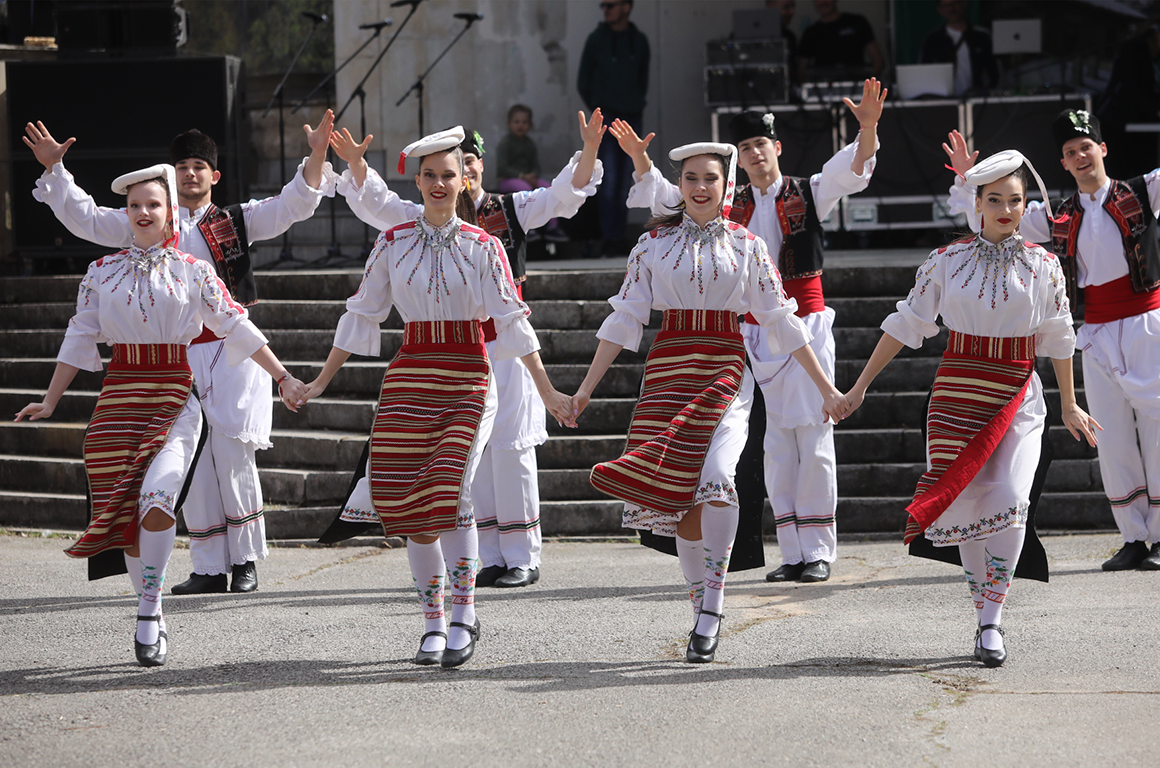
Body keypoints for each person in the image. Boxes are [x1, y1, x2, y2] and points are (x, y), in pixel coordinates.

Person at [23, 114, 333, 595]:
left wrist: (316, 155)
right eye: (182, 165)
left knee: (231, 451)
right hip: (176, 357)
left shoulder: (237, 219)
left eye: (199, 166)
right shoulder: (146, 220)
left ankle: (245, 558)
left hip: (233, 352)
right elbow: (85, 216)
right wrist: (56, 172)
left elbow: (292, 204)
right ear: (170, 176)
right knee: (188, 460)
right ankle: (208, 565)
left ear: (214, 175)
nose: (190, 173)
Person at [300, 127, 575, 669]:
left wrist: (548, 391)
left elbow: (511, 320)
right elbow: (362, 313)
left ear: (464, 176)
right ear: (417, 180)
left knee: (451, 494)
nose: (440, 184)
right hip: (410, 375)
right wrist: (319, 382)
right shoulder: (393, 241)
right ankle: (432, 619)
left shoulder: (484, 246)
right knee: (414, 507)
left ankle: (464, 613)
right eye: (430, 175)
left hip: (469, 374)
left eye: (450, 174)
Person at [13, 164, 306, 667]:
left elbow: (236, 324)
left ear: (171, 213)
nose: (143, 213)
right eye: (134, 206)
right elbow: (79, 335)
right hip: (118, 401)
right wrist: (51, 400)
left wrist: (284, 377)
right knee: (128, 518)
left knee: (157, 501)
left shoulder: (195, 271)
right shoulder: (101, 274)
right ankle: (150, 605)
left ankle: (149, 610)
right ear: (125, 215)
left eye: (153, 204)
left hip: (174, 395)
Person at [571, 140, 848, 663]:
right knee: (681, 501)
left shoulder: (747, 246)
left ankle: (715, 604)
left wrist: (826, 388)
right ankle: (699, 603)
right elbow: (625, 319)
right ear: (680, 185)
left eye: (711, 179)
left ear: (727, 187)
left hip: (725, 367)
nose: (700, 187)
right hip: (669, 370)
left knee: (720, 479)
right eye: (691, 178)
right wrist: (585, 389)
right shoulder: (652, 244)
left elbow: (781, 320)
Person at [944, 70, 1160, 572]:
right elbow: (990, 219)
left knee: (1157, 430)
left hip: (1145, 324)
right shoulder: (1055, 216)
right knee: (1111, 435)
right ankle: (1133, 537)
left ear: (1103, 148)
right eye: (1070, 151)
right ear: (1061, 161)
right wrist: (971, 181)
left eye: (1086, 147)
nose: (1079, 157)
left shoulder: (1141, 192)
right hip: (1092, 332)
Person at [613, 79, 886, 583]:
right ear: (736, 158)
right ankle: (792, 551)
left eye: (761, 144)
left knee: (813, 434)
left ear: (776, 147)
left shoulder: (807, 190)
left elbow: (851, 170)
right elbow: (670, 196)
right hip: (747, 334)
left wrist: (866, 127)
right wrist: (639, 159)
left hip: (801, 323)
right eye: (745, 147)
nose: (755, 153)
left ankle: (819, 547)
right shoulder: (724, 199)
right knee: (775, 442)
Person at [322, 110, 605, 589]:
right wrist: (356, 166)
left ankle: (521, 554)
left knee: (512, 447)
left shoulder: (508, 210)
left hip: (506, 347)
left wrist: (591, 150)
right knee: (467, 461)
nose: (459, 175)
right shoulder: (414, 223)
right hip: (444, 356)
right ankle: (487, 556)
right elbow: (378, 203)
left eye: (465, 164)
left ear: (475, 168)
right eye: (437, 171)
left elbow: (563, 195)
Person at [844, 151, 1095, 667]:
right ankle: (985, 620)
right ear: (976, 204)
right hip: (958, 392)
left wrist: (1069, 403)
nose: (1006, 209)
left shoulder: (1044, 264)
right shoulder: (946, 261)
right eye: (995, 199)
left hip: (1018, 394)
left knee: (1009, 497)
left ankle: (993, 615)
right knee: (969, 503)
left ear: (1028, 207)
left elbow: (1058, 336)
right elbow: (904, 324)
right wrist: (860, 386)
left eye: (1015, 200)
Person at [577, 0, 650, 254]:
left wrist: (633, 103)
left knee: (627, 180)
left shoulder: (639, 40)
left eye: (611, 4)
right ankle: (609, 238)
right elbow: (583, 81)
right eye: (603, 5)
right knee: (607, 180)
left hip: (632, 118)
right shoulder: (596, 39)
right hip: (606, 117)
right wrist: (599, 107)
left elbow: (642, 78)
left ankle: (618, 237)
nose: (606, 9)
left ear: (626, 7)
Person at [1098, 16, 1160, 180]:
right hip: (1118, 122)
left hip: (1145, 123)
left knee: (1145, 171)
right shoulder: (1133, 50)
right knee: (1120, 173)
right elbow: (1130, 88)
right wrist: (1159, 110)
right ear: (1158, 34)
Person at [495, 104, 569, 242]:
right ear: (509, 124)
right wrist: (522, 177)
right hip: (508, 180)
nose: (520, 125)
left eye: (524, 122)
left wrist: (533, 175)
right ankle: (529, 227)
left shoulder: (529, 144)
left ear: (530, 124)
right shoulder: (506, 143)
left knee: (549, 188)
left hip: (528, 179)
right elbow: (502, 168)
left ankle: (552, 227)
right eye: (516, 122)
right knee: (525, 190)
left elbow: (535, 166)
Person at [919, 0, 998, 96]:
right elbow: (924, 71)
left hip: (978, 100)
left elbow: (995, 71)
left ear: (964, 3)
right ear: (940, 10)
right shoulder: (933, 40)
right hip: (944, 101)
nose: (951, 9)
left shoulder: (982, 36)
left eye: (954, 3)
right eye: (946, 6)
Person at [797, 0, 885, 82]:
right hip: (822, 91)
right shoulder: (810, 33)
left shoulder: (857, 22)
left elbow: (878, 60)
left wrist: (867, 85)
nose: (822, 2)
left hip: (857, 89)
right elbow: (802, 71)